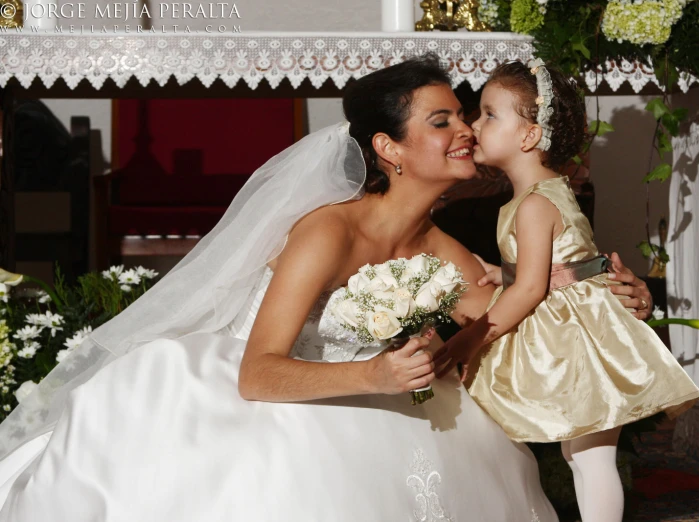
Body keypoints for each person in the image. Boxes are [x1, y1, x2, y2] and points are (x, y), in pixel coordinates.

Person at [0, 56, 652, 522]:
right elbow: (257, 376)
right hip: (272, 386)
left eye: (464, 116)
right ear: (388, 149)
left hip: (380, 387)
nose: (464, 132)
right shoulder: (326, 233)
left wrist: (609, 293)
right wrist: (373, 374)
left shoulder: (439, 247)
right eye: (440, 121)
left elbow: (515, 309)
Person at [433, 59, 699, 522]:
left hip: (580, 341)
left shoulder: (534, 203)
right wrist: (504, 273)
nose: (475, 125)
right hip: (581, 331)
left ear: (529, 136)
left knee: (591, 458)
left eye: (489, 114)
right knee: (582, 456)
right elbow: (558, 264)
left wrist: (464, 343)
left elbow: (533, 289)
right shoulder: (540, 194)